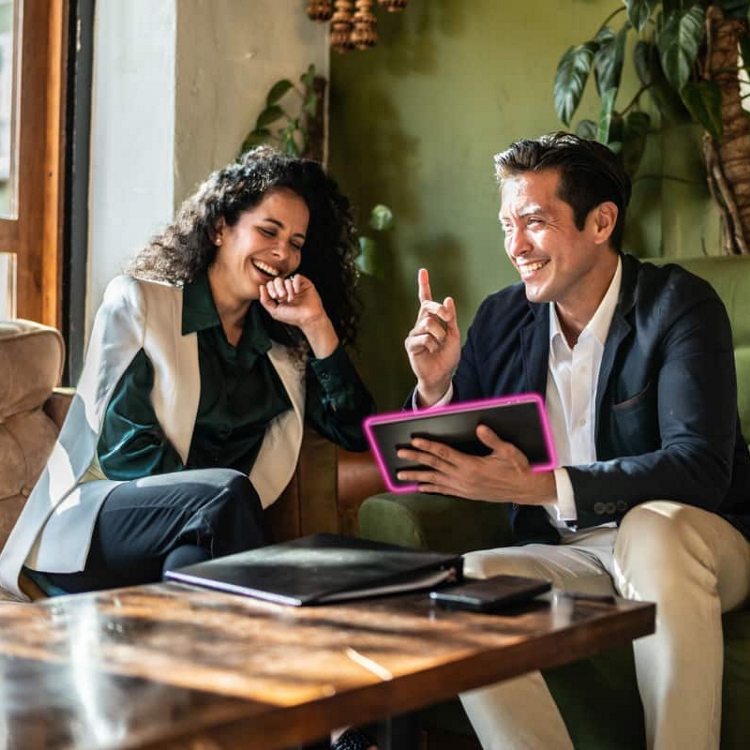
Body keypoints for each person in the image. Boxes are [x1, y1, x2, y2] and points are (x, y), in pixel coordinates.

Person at [398, 132, 750, 749]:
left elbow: (699, 469)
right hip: (574, 556)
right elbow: (463, 454)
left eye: (535, 222)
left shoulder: (678, 306)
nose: (515, 246)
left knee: (653, 530)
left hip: (702, 544)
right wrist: (437, 389)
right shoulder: (502, 318)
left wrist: (539, 485)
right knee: (464, 586)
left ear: (601, 221)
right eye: (508, 224)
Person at [0, 146, 374, 600]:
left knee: (194, 578)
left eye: (295, 243)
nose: (281, 253)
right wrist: (210, 497)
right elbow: (126, 453)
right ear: (220, 228)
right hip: (101, 529)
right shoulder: (138, 303)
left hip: (198, 539)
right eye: (268, 230)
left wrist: (316, 325)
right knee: (227, 494)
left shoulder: (281, 351)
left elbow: (356, 432)